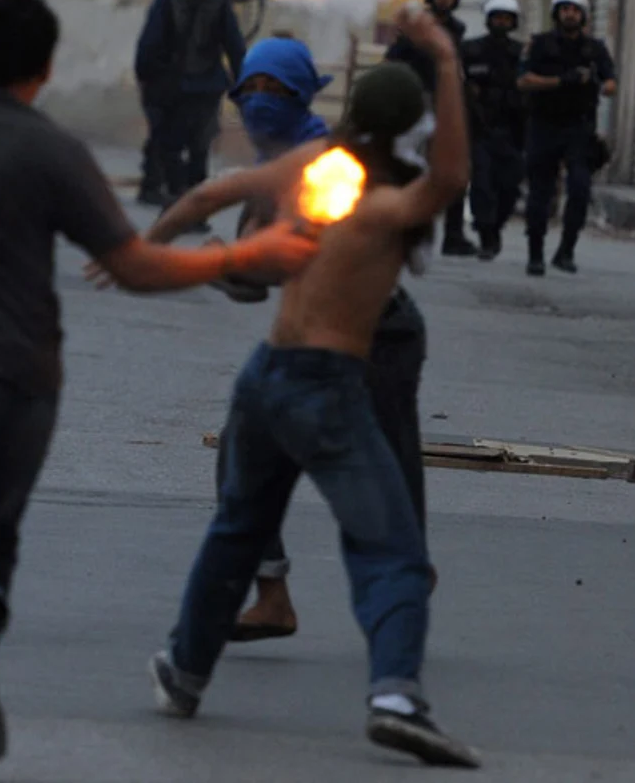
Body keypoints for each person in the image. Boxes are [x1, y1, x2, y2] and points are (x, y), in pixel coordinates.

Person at [0, 0, 320, 781]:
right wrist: (228, 260)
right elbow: (134, 265)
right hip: (23, 381)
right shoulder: (53, 152)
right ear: (46, 67)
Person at [144, 7, 479, 768]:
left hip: (265, 376)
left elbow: (204, 200)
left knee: (236, 526)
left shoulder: (310, 166)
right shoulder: (396, 200)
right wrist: (447, 63)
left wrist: (139, 254)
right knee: (391, 548)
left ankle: (183, 670)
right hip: (324, 385)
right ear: (412, 134)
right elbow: (454, 174)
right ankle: (395, 693)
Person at [149, 37, 435, 644]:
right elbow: (258, 282)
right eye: (249, 91)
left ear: (304, 95)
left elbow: (292, 257)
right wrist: (227, 266)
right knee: (243, 457)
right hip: (312, 349)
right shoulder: (272, 165)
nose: (258, 103)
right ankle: (272, 596)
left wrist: (189, 258)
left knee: (387, 470)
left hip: (382, 337)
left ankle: (402, 613)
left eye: (274, 91)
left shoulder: (328, 160)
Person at [135, 0, 247, 205]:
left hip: (173, 89)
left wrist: (149, 80)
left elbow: (148, 46)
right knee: (200, 148)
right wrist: (243, 83)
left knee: (172, 146)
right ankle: (198, 207)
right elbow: (234, 45)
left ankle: (176, 198)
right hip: (208, 89)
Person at [519, 0, 616, 276]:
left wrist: (596, 81)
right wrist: (561, 81)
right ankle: (535, 254)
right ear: (556, 14)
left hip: (579, 128)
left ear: (583, 15)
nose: (569, 14)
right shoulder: (538, 44)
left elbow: (611, 85)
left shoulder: (595, 49)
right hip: (544, 126)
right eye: (564, 9)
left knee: (580, 188)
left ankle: (566, 250)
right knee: (540, 193)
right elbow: (523, 81)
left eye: (575, 10)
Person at [384, 0, 475, 257]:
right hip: (415, 103)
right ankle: (404, 224)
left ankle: (454, 234)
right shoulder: (415, 30)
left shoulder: (459, 33)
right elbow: (392, 62)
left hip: (446, 103)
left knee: (453, 167)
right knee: (407, 163)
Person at [460, 0, 528, 261]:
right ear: (489, 20)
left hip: (513, 130)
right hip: (480, 129)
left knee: (509, 187)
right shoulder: (471, 50)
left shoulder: (523, 53)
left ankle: (495, 226)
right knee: (482, 183)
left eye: (506, 19)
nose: (501, 22)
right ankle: (486, 233)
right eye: (497, 18)